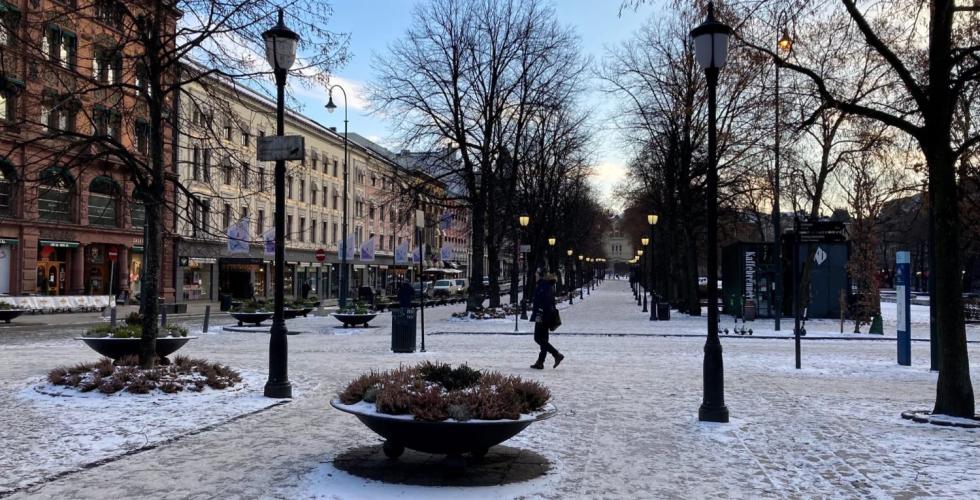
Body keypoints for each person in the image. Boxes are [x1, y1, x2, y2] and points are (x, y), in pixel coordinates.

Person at [529, 270, 564, 369]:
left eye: (536, 273)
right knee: (543, 340)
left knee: (538, 338)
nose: (535, 275)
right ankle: (540, 362)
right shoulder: (545, 285)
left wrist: (540, 313)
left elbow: (545, 302)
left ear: (541, 276)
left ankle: (556, 354)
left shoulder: (544, 286)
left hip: (543, 316)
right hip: (545, 316)